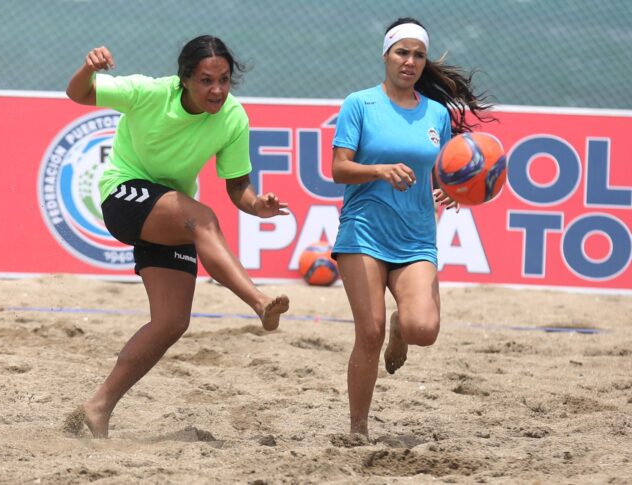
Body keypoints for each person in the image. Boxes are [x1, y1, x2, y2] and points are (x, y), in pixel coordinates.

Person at [63, 35, 290, 438]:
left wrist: (258, 206)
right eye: (205, 80)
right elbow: (77, 93)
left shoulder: (233, 117)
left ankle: (97, 408)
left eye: (223, 79)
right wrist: (89, 68)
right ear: (184, 78)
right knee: (203, 219)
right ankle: (258, 301)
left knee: (171, 322)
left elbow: (238, 186)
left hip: (172, 215)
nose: (217, 89)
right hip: (124, 195)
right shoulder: (148, 92)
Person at [330, 18, 494, 437]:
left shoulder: (437, 114)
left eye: (418, 54)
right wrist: (379, 171)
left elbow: (444, 172)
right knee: (369, 332)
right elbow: (338, 169)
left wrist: (455, 192)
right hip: (363, 230)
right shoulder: (360, 104)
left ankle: (400, 329)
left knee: (424, 329)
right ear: (386, 55)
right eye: (402, 52)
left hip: (416, 235)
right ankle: (357, 430)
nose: (410, 61)